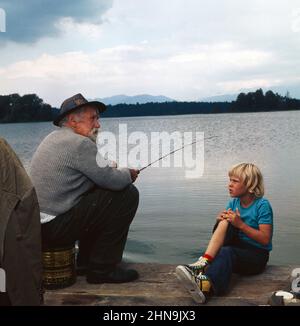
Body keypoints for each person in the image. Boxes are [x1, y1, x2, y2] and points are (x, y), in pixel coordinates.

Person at [30, 93, 140, 284]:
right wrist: (128, 174)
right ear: (73, 120)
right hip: (54, 228)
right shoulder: (79, 143)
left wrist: (111, 169)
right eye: (93, 118)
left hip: (38, 226)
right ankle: (102, 269)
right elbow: (112, 181)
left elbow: (95, 172)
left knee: (96, 195)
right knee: (126, 194)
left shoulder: (54, 138)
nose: (98, 125)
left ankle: (86, 263)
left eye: (98, 118)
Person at [176, 163, 273, 303]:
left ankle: (208, 287)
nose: (229, 185)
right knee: (224, 222)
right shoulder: (233, 203)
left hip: (256, 256)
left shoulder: (262, 205)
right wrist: (220, 221)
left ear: (250, 185)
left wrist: (240, 224)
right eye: (230, 180)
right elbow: (220, 235)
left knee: (227, 252)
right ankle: (203, 263)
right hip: (238, 248)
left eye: (235, 181)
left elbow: (265, 240)